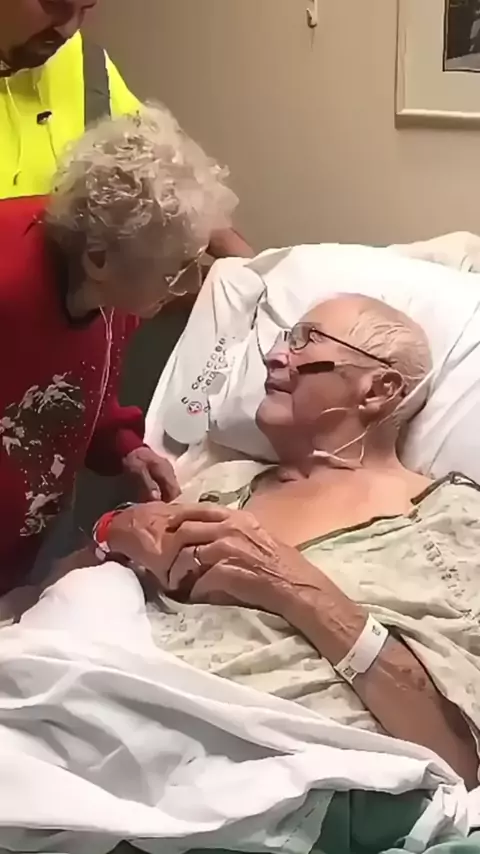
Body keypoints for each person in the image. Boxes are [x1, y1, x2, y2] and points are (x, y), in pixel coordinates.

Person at [83, 294, 480, 787]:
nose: (274, 355)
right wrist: (116, 528)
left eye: (305, 341)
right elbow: (59, 593)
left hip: (267, 777)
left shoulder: (449, 519)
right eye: (282, 338)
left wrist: (292, 588)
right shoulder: (223, 484)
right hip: (101, 714)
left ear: (379, 389)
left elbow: (459, 757)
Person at [0, 103, 238, 593]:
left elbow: (81, 388)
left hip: (28, 536)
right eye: (173, 269)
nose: (185, 285)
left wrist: (124, 447)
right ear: (99, 258)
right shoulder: (10, 283)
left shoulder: (114, 281)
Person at [0, 0, 252, 258]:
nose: (69, 29)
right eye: (55, 4)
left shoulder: (82, 61)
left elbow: (160, 165)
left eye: (85, 8)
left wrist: (250, 267)